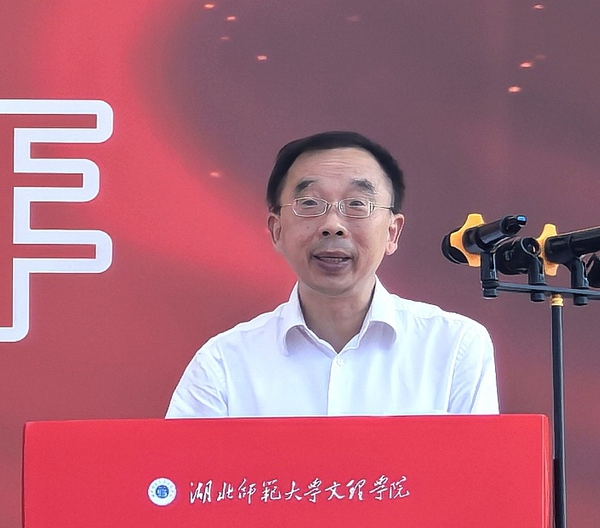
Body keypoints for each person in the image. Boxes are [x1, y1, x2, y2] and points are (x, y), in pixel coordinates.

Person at [166, 131, 498, 418]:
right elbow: (184, 472)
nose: (332, 225)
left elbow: (477, 470)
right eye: (310, 203)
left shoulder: (453, 347)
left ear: (392, 232)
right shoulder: (224, 363)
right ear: (277, 230)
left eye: (357, 204)